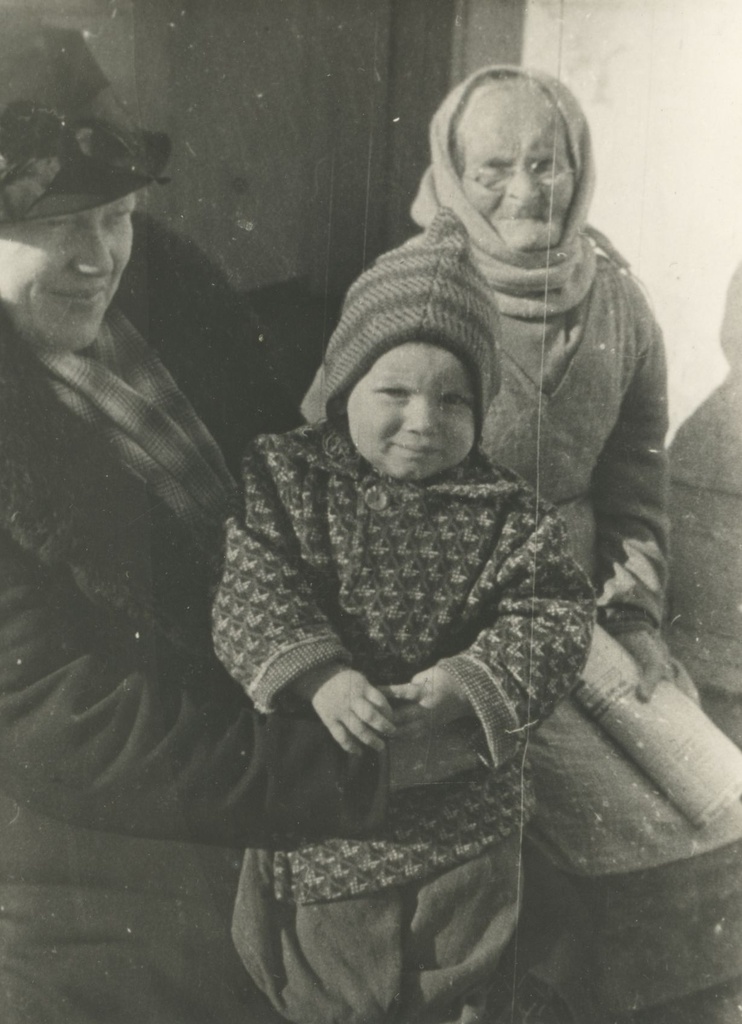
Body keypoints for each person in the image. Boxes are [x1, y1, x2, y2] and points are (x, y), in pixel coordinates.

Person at [0, 26, 481, 1024]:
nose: (101, 261)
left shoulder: (162, 277)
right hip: (113, 838)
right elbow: (74, 726)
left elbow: (288, 464)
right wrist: (360, 771)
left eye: (118, 216)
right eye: (59, 229)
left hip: (283, 703)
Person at [404, 66, 742, 1024]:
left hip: (588, 618)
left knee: (721, 805)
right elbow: (345, 477)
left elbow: (636, 481)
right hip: (466, 626)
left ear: (578, 164)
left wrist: (634, 613)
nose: (523, 191)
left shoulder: (619, 300)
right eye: (493, 169)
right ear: (453, 171)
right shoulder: (414, 291)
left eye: (545, 163)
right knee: (598, 854)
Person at [212, 209, 594, 1024]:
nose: (423, 421)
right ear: (346, 385)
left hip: (463, 792)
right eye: (394, 392)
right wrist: (320, 675)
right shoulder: (288, 478)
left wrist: (468, 682)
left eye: (454, 399)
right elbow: (251, 580)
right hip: (332, 788)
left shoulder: (508, 514)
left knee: (460, 962)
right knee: (326, 971)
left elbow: (555, 616)